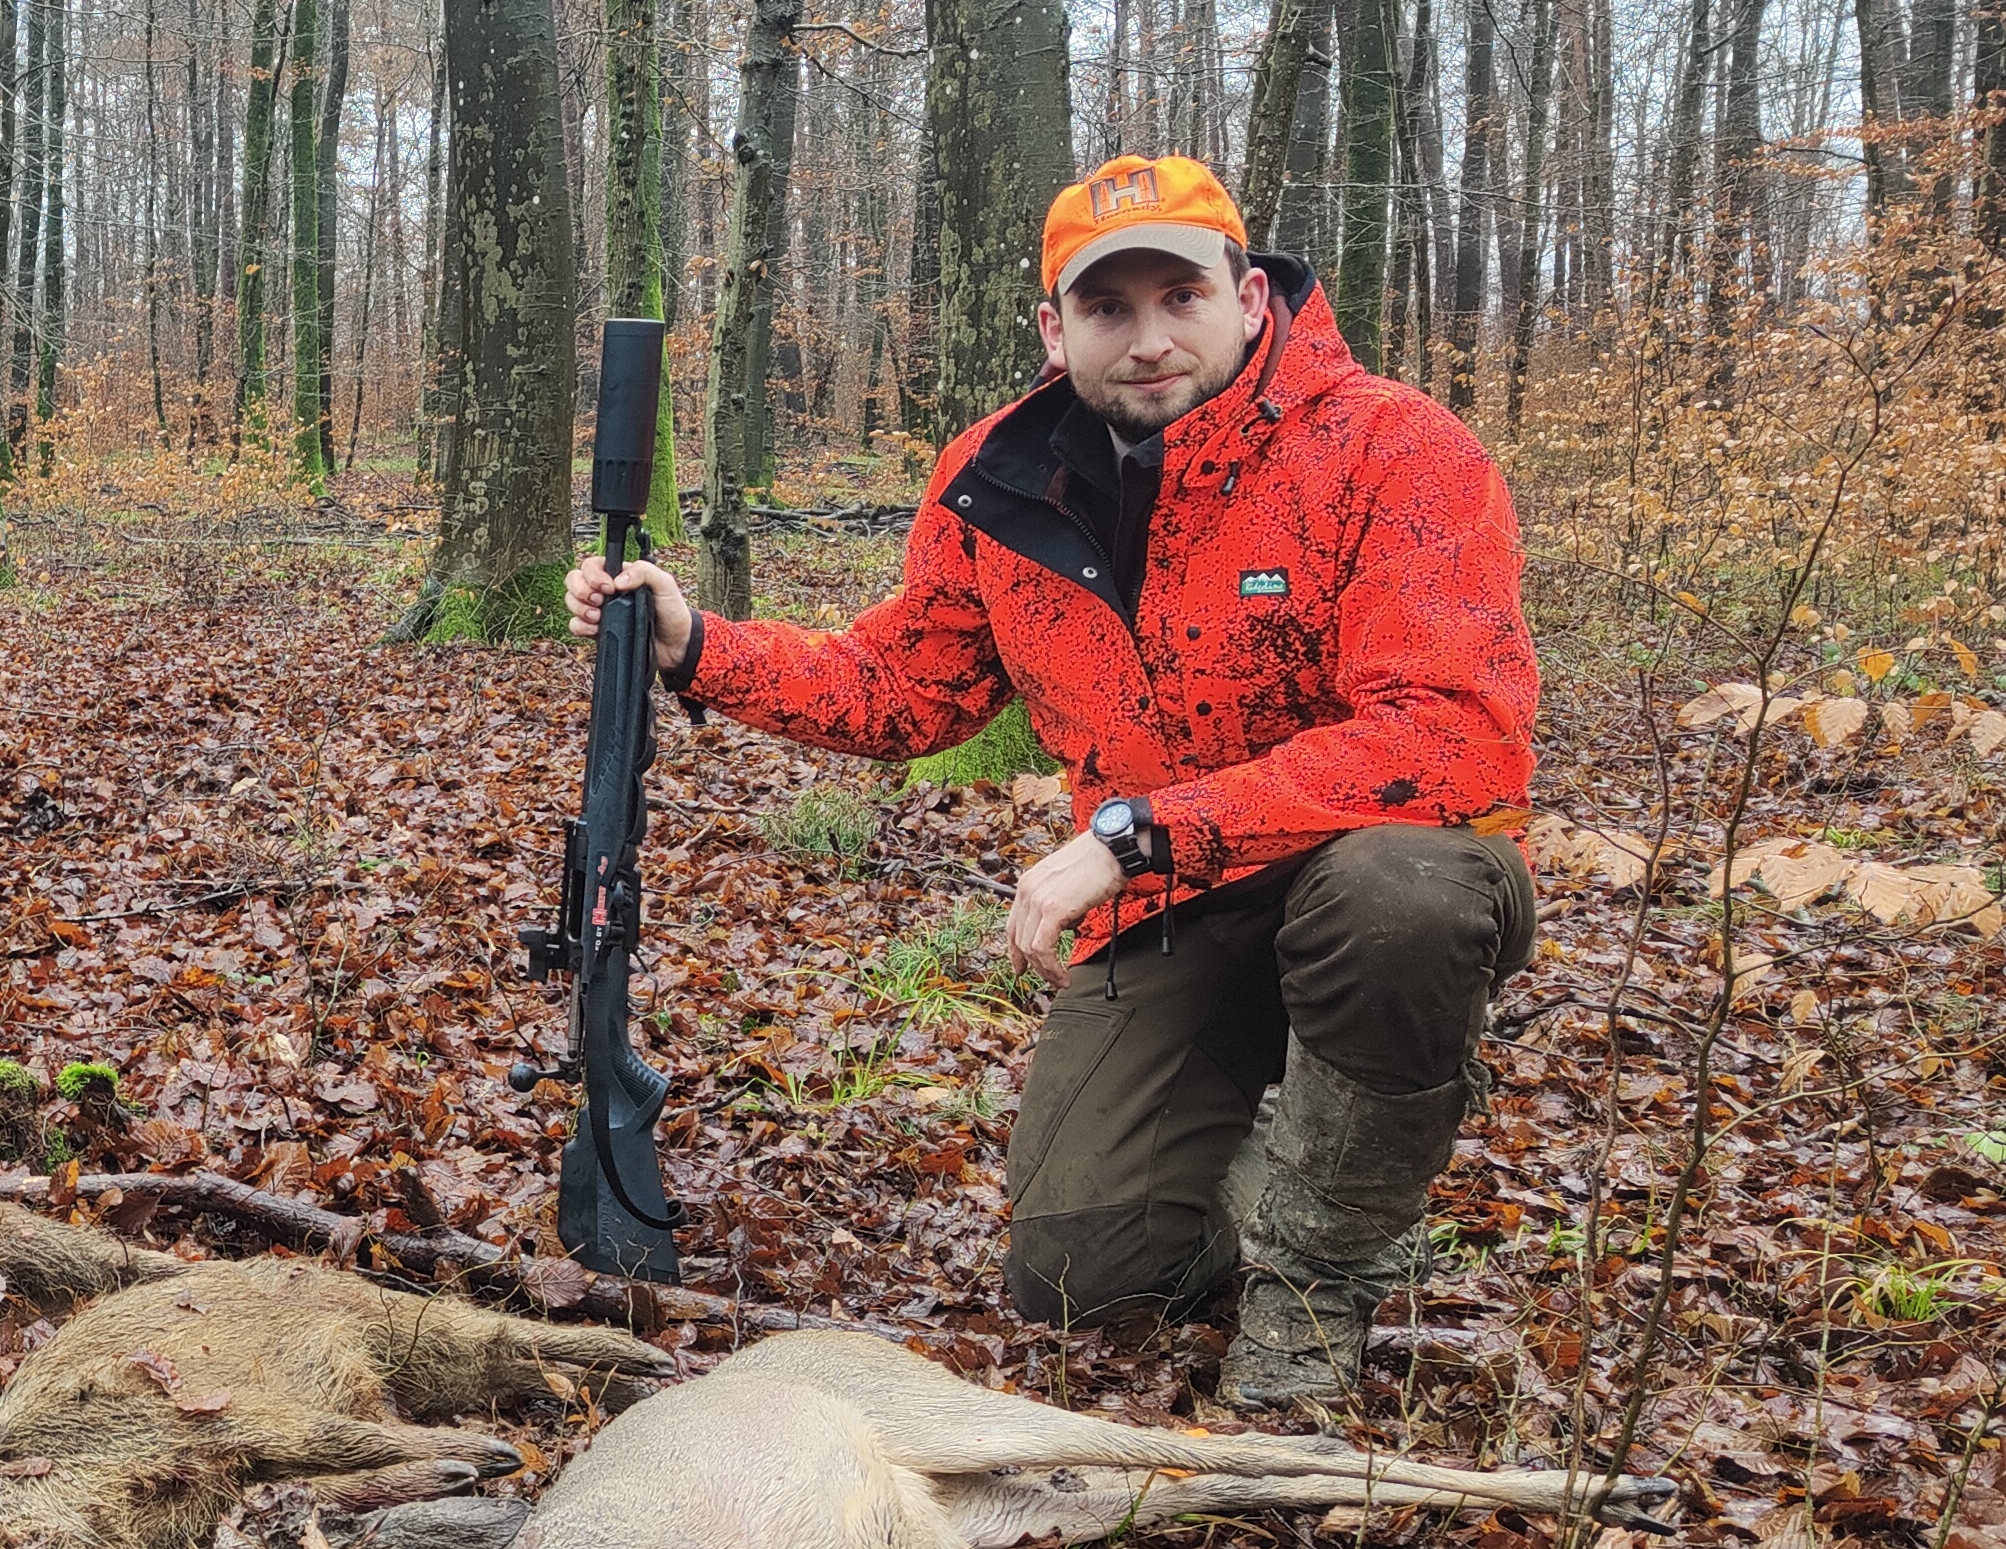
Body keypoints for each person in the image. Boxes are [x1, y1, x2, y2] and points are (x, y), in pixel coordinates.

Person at [566, 155, 1538, 1411]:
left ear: (1248, 296)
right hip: (1177, 907)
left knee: (1399, 901)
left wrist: (1137, 836)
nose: (1147, 340)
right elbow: (905, 686)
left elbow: (1449, 733)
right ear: (1052, 326)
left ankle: (1321, 1276)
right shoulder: (1003, 478)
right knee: (1082, 1275)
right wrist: (701, 647)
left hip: (1378, 864)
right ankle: (1300, 1151)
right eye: (1106, 308)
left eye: (1178, 297)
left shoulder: (1394, 449)